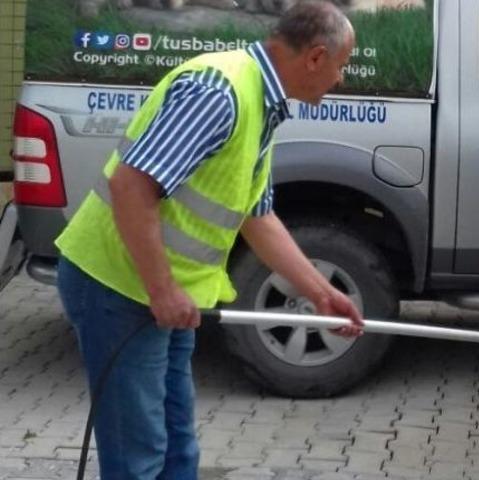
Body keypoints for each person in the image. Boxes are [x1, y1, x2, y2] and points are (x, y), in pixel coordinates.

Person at [54, 2, 362, 478]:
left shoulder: (260, 101)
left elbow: (256, 218)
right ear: (316, 57)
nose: (341, 79)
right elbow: (131, 186)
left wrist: (321, 294)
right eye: (342, 66)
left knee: (178, 451)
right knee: (138, 457)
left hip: (163, 295)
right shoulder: (220, 91)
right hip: (117, 289)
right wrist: (162, 290)